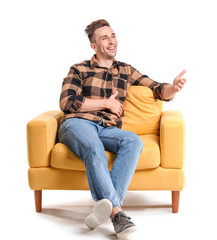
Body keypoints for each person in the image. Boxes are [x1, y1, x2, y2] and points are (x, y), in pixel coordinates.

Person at [58, 19, 186, 239]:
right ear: (94, 46)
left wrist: (172, 88)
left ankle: (105, 207)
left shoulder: (126, 70)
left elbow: (156, 88)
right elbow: (67, 102)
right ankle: (117, 213)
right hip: (78, 124)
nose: (111, 41)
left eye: (113, 35)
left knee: (133, 141)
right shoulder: (79, 69)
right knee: (93, 146)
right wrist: (106, 103)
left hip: (107, 128)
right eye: (104, 38)